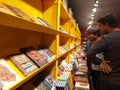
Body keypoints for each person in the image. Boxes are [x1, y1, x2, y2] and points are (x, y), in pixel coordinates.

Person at [86, 13, 120, 90]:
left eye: (100, 26)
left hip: (109, 79)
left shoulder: (107, 38)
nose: (99, 29)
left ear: (106, 25)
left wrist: (100, 62)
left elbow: (89, 54)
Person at [86, 25, 103, 90]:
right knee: (93, 86)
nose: (88, 36)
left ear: (97, 34)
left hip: (100, 71)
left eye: (90, 34)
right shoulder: (90, 42)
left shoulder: (103, 42)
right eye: (88, 34)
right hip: (92, 69)